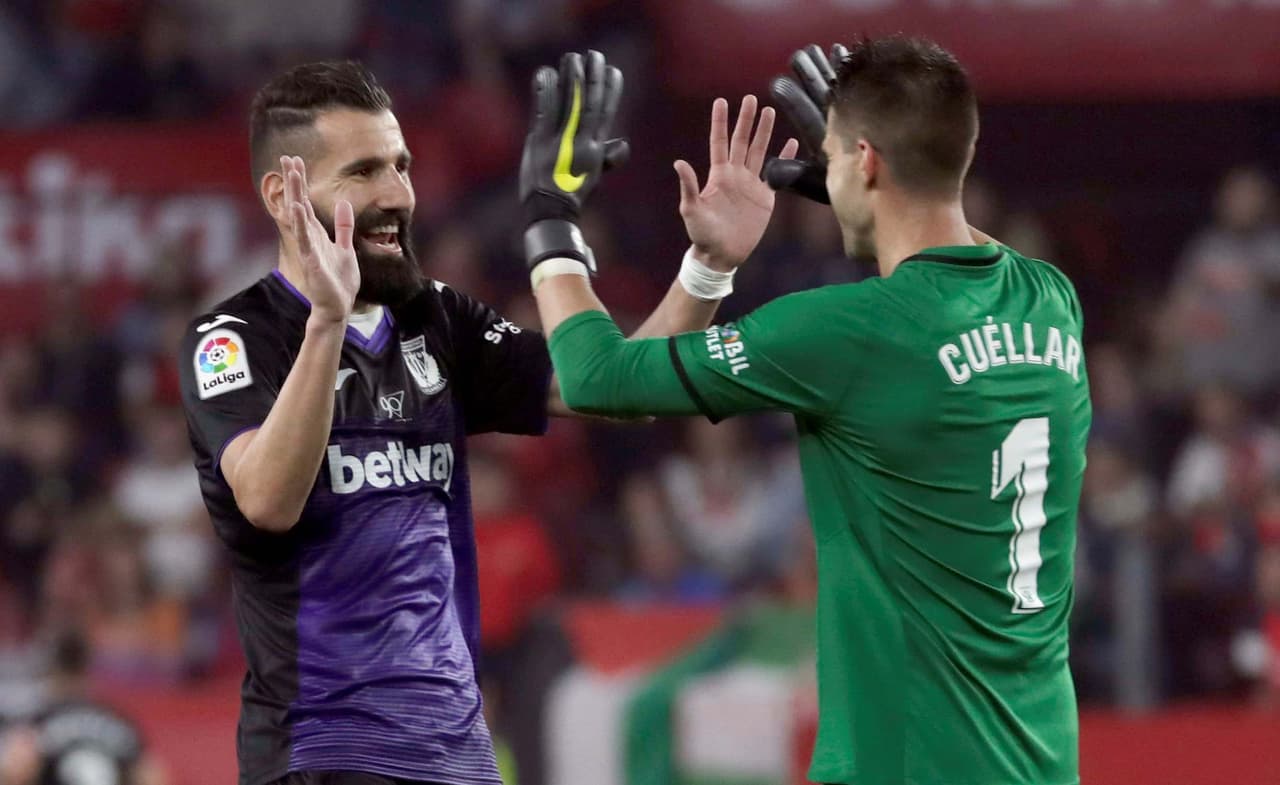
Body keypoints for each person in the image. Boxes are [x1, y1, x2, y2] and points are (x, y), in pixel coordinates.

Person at [176, 56, 786, 785]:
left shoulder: (437, 318)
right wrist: (327, 324)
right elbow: (268, 500)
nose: (398, 193)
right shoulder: (234, 337)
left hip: (456, 754)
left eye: (401, 166)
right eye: (363, 172)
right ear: (284, 194)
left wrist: (708, 267)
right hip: (321, 755)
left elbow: (619, 389)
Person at [524, 39, 1090, 785]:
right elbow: (955, 250)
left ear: (865, 159)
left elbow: (598, 379)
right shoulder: (1053, 301)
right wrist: (870, 194)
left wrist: (549, 216)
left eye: (831, 155)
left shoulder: (848, 331)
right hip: (1041, 761)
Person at [0, 629, 164, 785]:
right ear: (88, 668)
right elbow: (151, 777)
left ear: (52, 669)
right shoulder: (120, 720)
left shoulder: (38, 721)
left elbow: (16, 772)